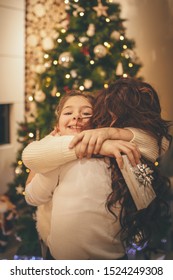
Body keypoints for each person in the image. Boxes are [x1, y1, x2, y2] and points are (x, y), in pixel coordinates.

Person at [22, 78, 172, 259]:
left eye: (86, 113)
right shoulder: (56, 152)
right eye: (68, 112)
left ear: (98, 122)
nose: (77, 117)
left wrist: (108, 137)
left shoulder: (119, 150)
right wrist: (92, 147)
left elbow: (158, 143)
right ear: (57, 126)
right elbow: (32, 189)